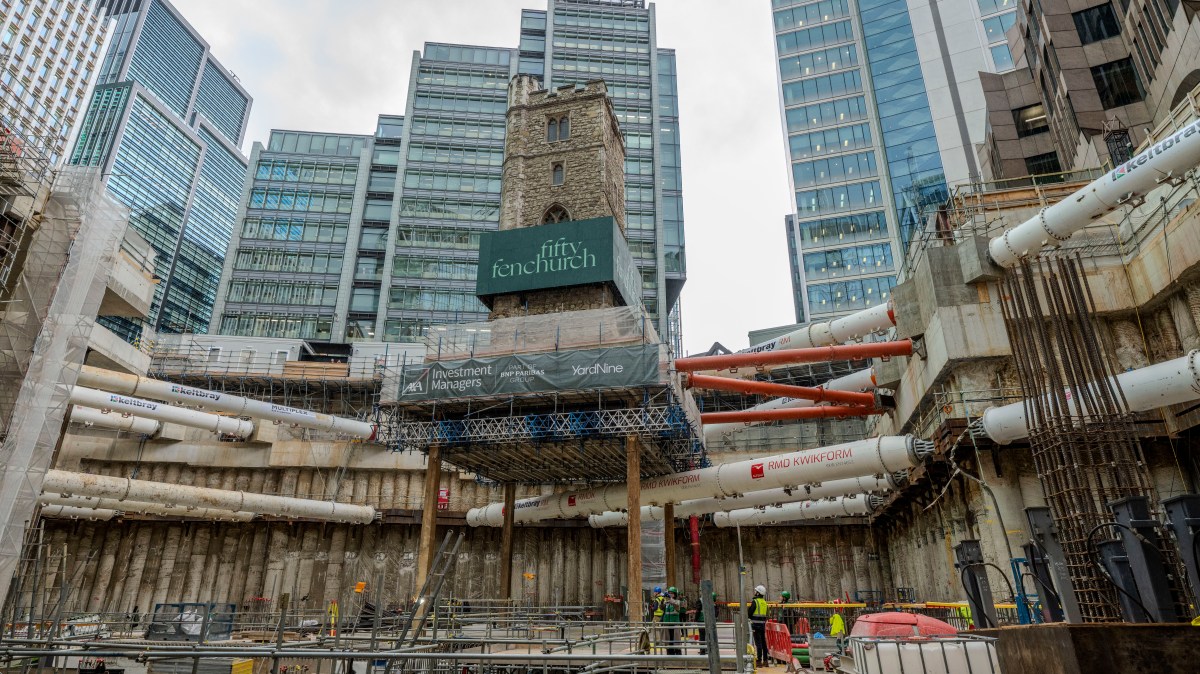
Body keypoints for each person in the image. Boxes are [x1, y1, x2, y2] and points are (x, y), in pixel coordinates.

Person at [751, 585, 770, 667]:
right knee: (763, 642)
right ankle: (765, 661)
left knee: (758, 643)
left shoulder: (755, 602)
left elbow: (749, 613)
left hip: (755, 625)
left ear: (758, 593)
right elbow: (766, 614)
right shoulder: (764, 602)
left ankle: (759, 661)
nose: (755, 592)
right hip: (762, 625)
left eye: (756, 591)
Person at [663, 587, 682, 655]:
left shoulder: (677, 602)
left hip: (675, 623)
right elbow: (661, 607)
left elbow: (676, 605)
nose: (670, 594)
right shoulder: (666, 603)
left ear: (675, 594)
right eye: (669, 593)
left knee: (676, 640)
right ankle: (669, 652)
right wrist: (663, 600)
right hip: (667, 623)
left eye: (672, 593)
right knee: (668, 639)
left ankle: (677, 652)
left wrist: (670, 599)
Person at [651, 586, 666, 651]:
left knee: (655, 629)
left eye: (654, 592)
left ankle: (657, 641)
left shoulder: (657, 600)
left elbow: (655, 608)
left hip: (656, 616)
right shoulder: (663, 598)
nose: (654, 593)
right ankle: (662, 640)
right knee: (661, 629)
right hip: (662, 616)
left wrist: (652, 608)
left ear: (657, 592)